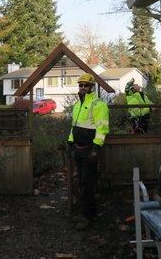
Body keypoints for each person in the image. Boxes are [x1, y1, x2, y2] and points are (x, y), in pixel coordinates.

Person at [67, 73, 109, 230]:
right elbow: (75, 126)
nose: (83, 87)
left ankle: (87, 217)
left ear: (92, 87)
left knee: (87, 184)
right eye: (80, 85)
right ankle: (86, 212)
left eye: (86, 85)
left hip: (90, 150)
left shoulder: (98, 104)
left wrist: (96, 149)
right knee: (81, 182)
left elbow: (102, 128)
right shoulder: (78, 104)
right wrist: (70, 142)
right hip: (78, 148)